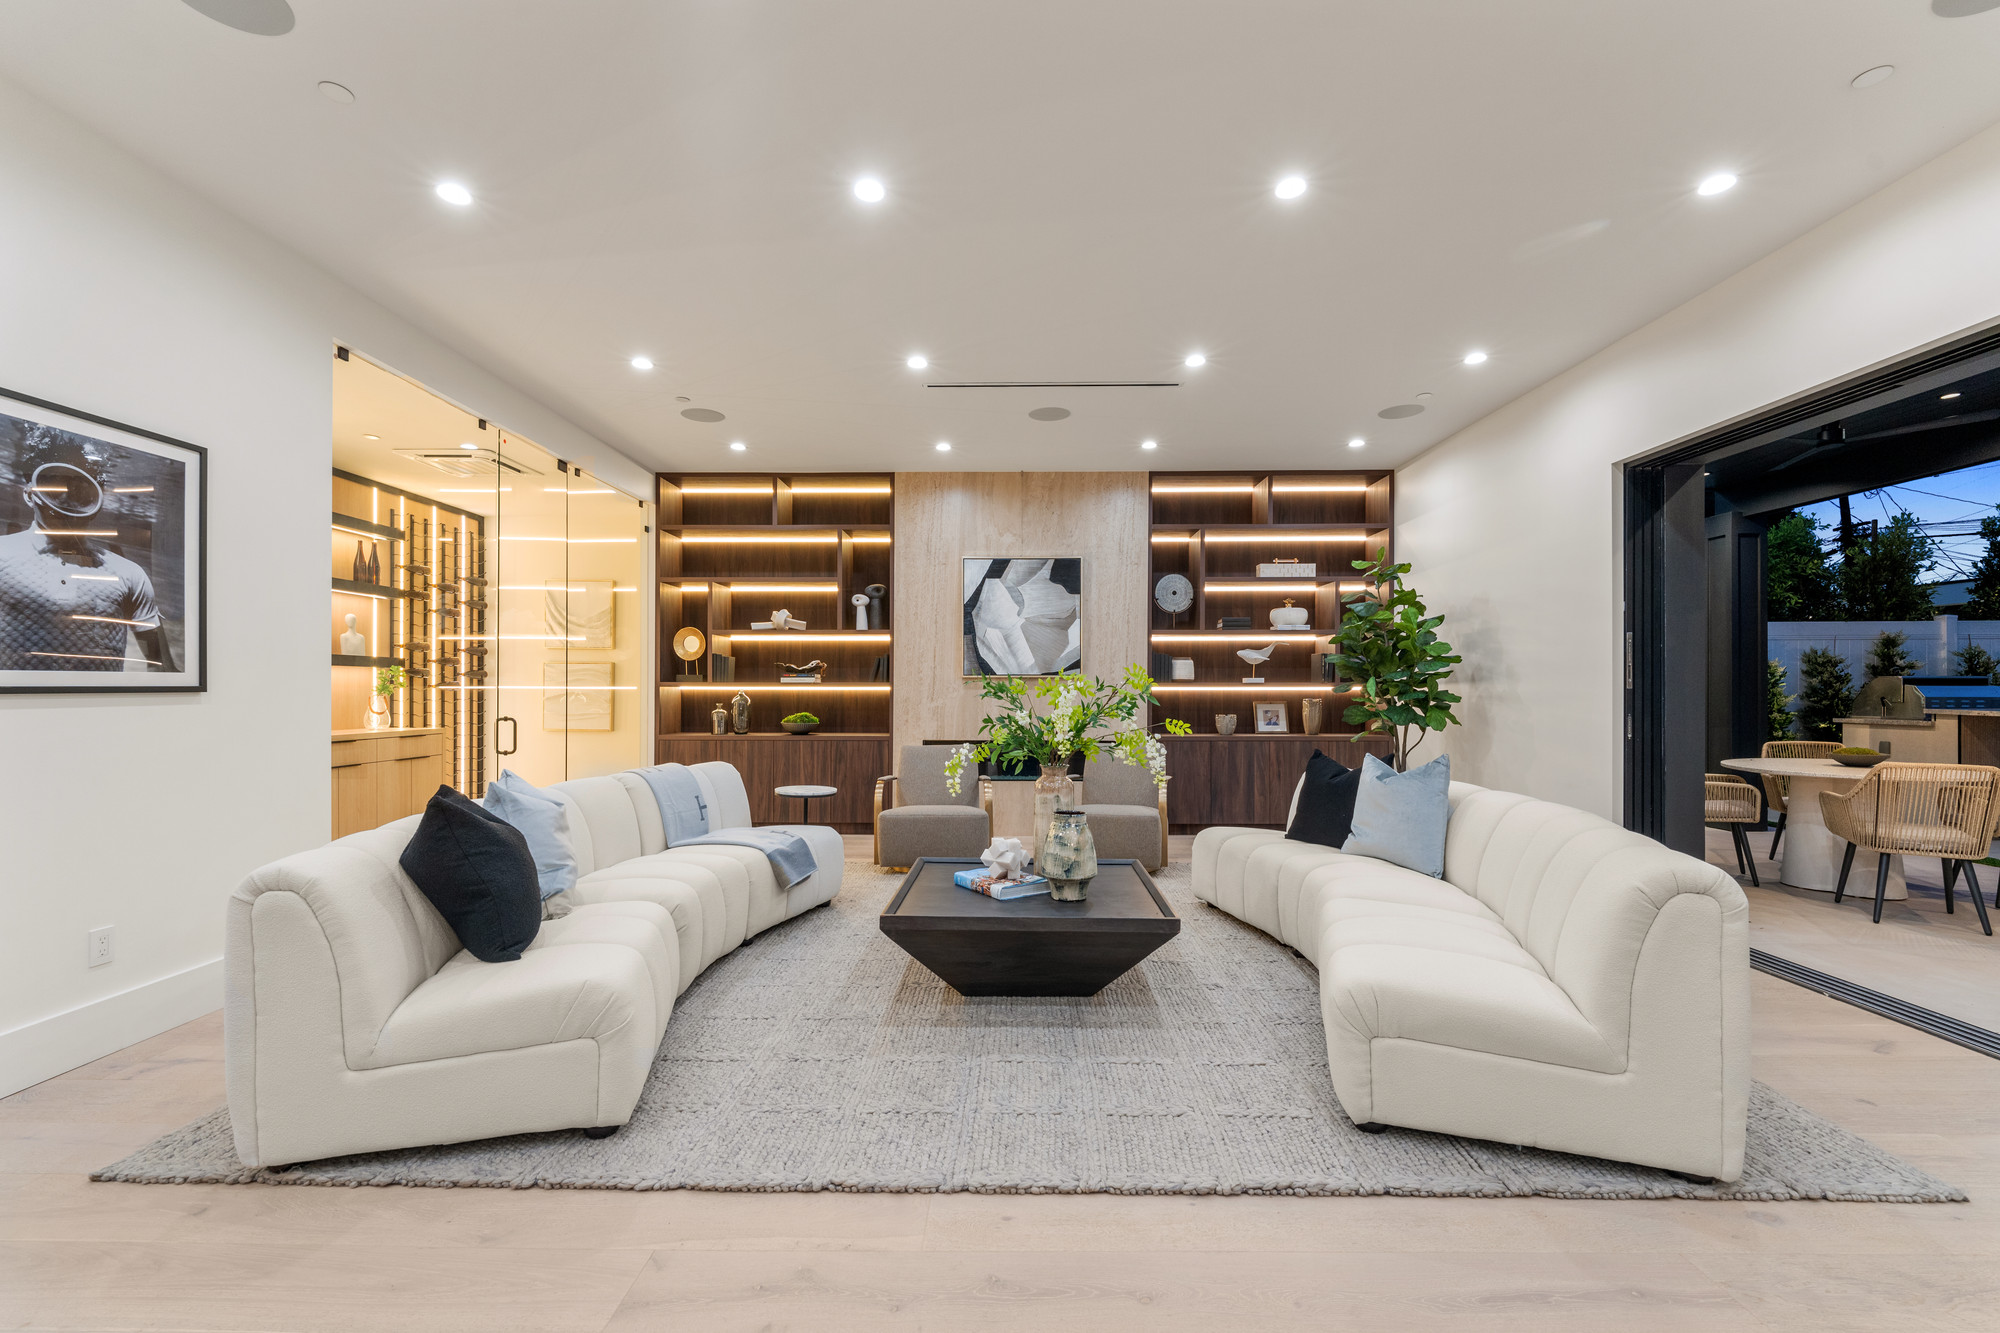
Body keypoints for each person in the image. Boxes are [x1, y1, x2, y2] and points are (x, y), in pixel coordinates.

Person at [0, 424, 176, 672]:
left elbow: (163, 671)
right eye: (54, 487)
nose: (65, 499)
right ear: (30, 495)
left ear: (96, 501)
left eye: (79, 491)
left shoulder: (128, 574)